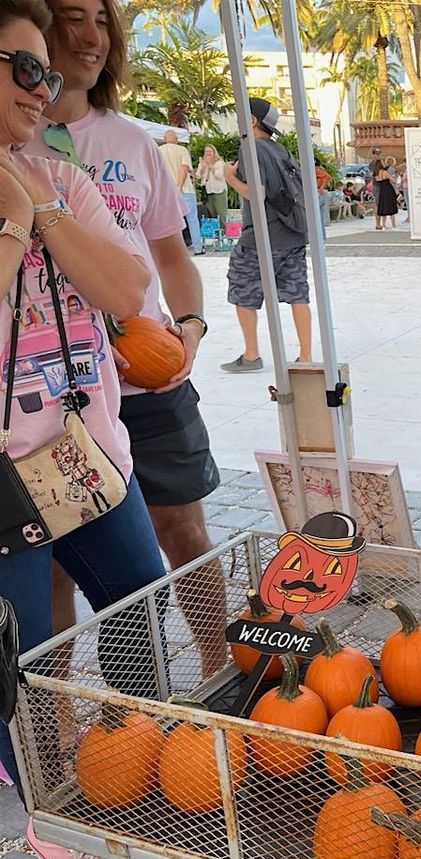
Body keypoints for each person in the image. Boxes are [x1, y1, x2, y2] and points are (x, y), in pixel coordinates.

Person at [0, 2, 162, 859]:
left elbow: (130, 287)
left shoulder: (61, 173)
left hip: (91, 453)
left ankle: (135, 774)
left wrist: (44, 209)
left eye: (46, 74)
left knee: (141, 609)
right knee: (13, 673)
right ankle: (41, 830)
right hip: (6, 482)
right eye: (24, 68)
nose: (44, 88)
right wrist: (14, 225)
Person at [30, 0, 228, 693]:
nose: (89, 36)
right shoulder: (17, 149)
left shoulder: (133, 142)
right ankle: (58, 711)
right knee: (55, 559)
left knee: (183, 530)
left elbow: (170, 259)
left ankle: (215, 670)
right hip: (51, 400)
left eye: (102, 21)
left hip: (149, 376)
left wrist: (192, 328)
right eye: (72, 17)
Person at [221, 97, 312, 371]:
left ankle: (251, 355)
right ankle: (305, 356)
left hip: (262, 238)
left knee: (242, 288)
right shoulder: (280, 149)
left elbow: (256, 194)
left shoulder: (250, 149)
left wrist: (230, 178)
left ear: (251, 121)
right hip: (293, 234)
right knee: (298, 294)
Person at [157, 127, 204, 256]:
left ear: (164, 139)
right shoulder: (182, 150)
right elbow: (184, 168)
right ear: (177, 140)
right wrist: (180, 185)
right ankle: (198, 248)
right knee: (192, 219)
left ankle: (174, 250)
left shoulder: (158, 151)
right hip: (185, 190)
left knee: (171, 221)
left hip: (167, 192)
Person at [195, 143, 227, 221]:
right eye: (206, 152)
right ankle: (214, 231)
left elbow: (220, 176)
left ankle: (225, 231)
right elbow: (198, 176)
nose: (208, 153)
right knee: (211, 213)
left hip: (219, 190)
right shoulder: (202, 163)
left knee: (221, 213)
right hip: (208, 192)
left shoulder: (220, 163)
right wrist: (202, 167)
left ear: (214, 152)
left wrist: (210, 166)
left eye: (210, 151)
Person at [371, 158, 398, 230]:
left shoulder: (375, 174)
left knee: (384, 207)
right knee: (391, 207)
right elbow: (394, 181)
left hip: (382, 191)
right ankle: (394, 225)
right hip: (388, 190)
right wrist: (394, 176)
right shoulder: (385, 172)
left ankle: (384, 225)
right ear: (381, 164)